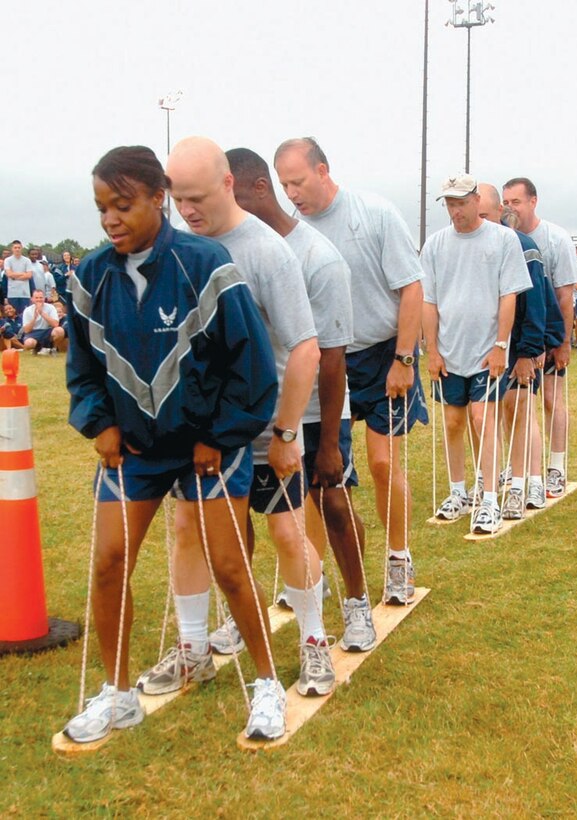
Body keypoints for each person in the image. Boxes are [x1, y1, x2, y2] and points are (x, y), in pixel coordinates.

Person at [62, 144, 283, 744]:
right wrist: (98, 422)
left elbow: (254, 366)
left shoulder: (205, 263)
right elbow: (82, 368)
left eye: (123, 205)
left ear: (158, 198)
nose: (110, 219)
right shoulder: (89, 276)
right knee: (109, 564)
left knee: (230, 567)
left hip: (208, 448)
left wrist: (220, 435)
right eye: (102, 207)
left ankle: (266, 685)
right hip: (132, 450)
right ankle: (116, 694)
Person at [136, 137, 335, 706]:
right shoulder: (172, 250)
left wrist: (287, 433)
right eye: (178, 200)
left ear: (228, 184)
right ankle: (194, 651)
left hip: (267, 429)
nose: (188, 211)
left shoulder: (267, 252)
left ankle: (315, 641)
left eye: (198, 197)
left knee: (286, 533)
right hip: (201, 434)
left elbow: (304, 348)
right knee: (187, 531)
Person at [226, 146, 375, 652]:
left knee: (332, 500)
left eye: (234, 196)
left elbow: (332, 359)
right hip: (254, 411)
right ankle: (239, 611)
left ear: (256, 189)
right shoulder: (230, 248)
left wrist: (328, 441)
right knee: (239, 510)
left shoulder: (318, 258)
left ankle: (357, 606)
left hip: (315, 408)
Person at [274, 137, 427, 602]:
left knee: (383, 464)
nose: (291, 193)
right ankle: (314, 572)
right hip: (327, 362)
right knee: (320, 475)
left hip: (383, 354)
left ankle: (398, 558)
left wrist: (404, 358)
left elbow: (412, 288)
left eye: (297, 181)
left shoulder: (373, 213)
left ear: (323, 170)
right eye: (283, 185)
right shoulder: (292, 233)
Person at [421, 174, 531, 533]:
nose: (455, 210)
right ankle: (457, 492)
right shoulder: (435, 244)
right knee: (453, 422)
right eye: (449, 204)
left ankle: (488, 500)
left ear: (474, 201)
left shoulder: (502, 240)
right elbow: (429, 300)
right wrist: (432, 350)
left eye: (460, 203)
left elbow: (509, 295)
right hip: (449, 352)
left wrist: (501, 345)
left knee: (483, 421)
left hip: (487, 352)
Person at [477, 184, 563, 517]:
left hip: (521, 344)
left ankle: (534, 482)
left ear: (500, 212)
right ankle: (507, 476)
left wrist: (530, 350)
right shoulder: (477, 246)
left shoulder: (522, 246)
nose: (481, 221)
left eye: (485, 214)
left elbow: (538, 302)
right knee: (498, 413)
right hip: (492, 344)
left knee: (521, 410)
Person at [502, 178, 577, 497]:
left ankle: (556, 467)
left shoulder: (555, 238)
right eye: (505, 202)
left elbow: (563, 295)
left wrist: (561, 344)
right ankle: (515, 464)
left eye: (516, 201)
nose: (510, 208)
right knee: (514, 403)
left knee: (550, 398)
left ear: (533, 202)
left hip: (549, 332)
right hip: (519, 338)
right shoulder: (505, 238)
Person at [21, 290, 62, 354]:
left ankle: (53, 349)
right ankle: (37, 348)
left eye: (41, 297)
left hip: (47, 331)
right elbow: (26, 330)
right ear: (32, 299)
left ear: (44, 298)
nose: (39, 300)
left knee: (59, 331)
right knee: (29, 343)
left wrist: (42, 313)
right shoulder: (27, 310)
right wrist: (34, 318)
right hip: (33, 333)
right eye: (36, 298)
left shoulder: (51, 307)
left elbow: (56, 324)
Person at [4, 241, 33, 317]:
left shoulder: (27, 260)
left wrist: (14, 276)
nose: (17, 249)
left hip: (25, 293)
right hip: (12, 293)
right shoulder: (8, 260)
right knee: (13, 314)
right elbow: (9, 274)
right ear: (12, 249)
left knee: (25, 315)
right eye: (15, 248)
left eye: (19, 248)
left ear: (22, 248)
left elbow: (29, 275)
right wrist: (23, 273)